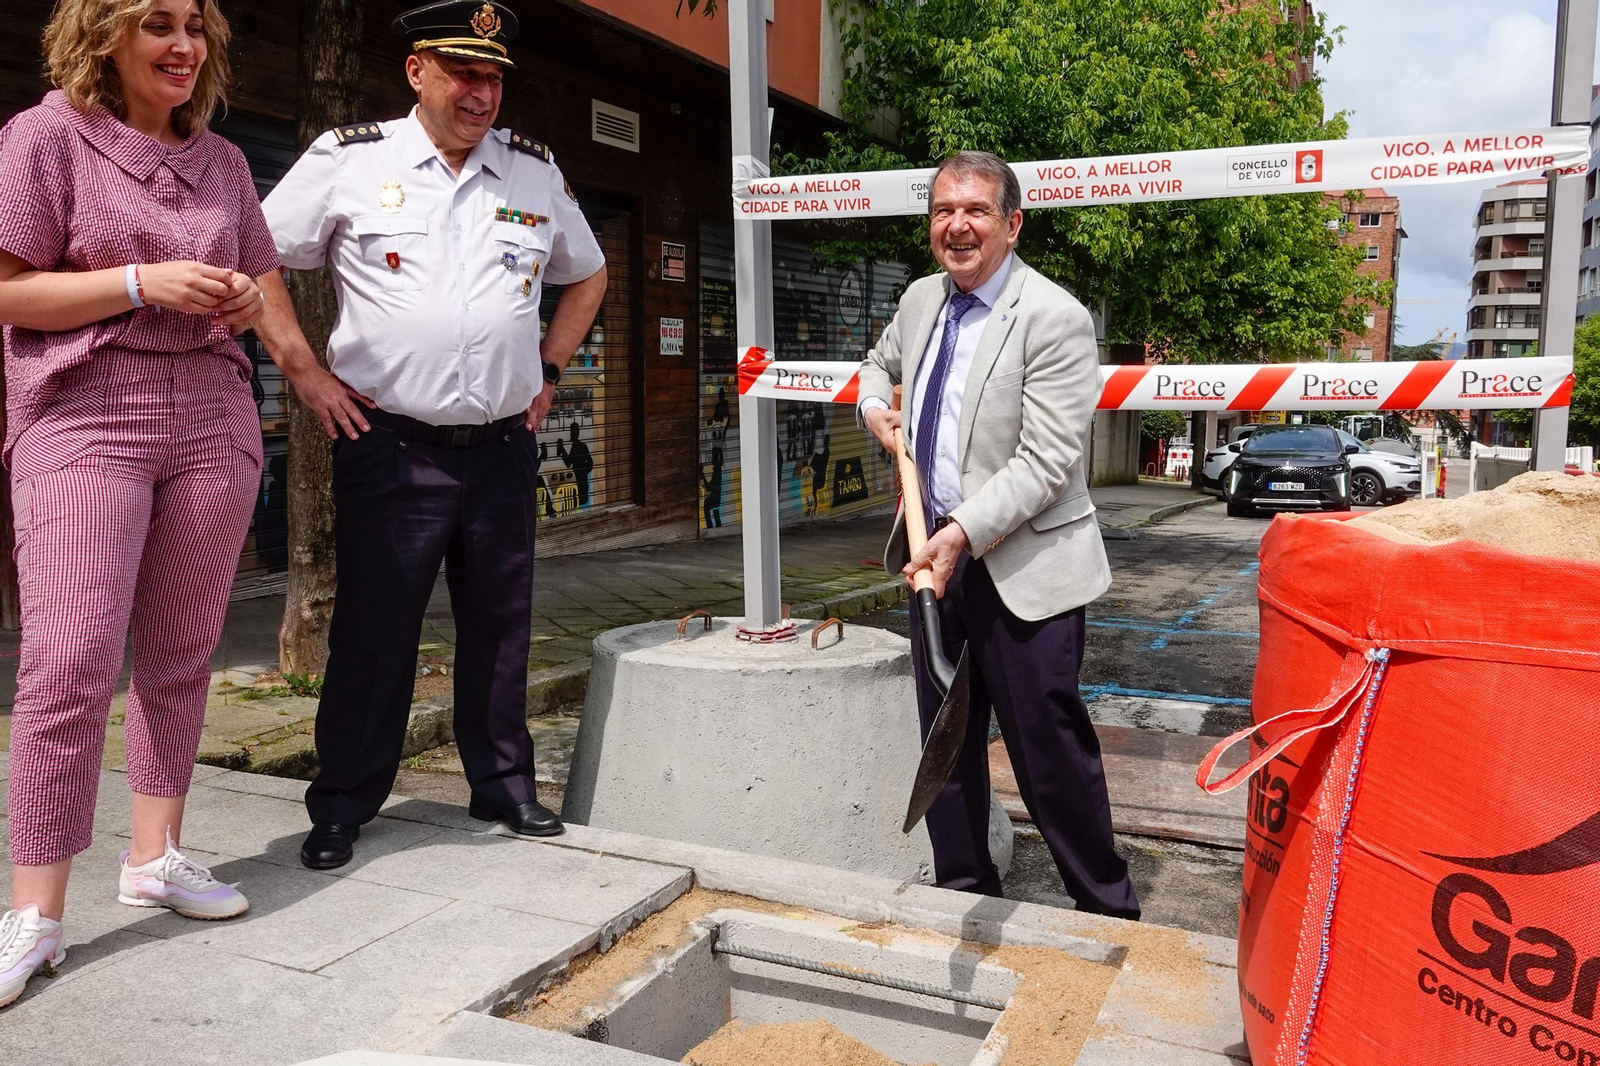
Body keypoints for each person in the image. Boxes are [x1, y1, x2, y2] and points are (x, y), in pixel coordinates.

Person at [253, 0, 607, 870]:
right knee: (376, 633)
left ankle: (504, 784)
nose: (483, 93)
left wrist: (551, 370)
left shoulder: (531, 171)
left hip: (498, 449)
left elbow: (590, 274)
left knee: (501, 623)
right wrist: (303, 372)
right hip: (391, 443)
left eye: (494, 77)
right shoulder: (350, 159)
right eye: (464, 73)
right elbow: (252, 252)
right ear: (417, 71)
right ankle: (343, 802)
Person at [0, 0, 279, 1006]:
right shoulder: (42, 138)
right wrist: (138, 280)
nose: (184, 45)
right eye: (157, 22)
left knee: (180, 650)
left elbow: (253, 275)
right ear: (102, 36)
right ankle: (34, 910)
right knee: (68, 661)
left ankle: (154, 856)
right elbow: (10, 290)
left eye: (197, 25)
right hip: (86, 410)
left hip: (211, 414)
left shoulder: (227, 164)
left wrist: (243, 300)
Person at [857, 151, 1139, 919]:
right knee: (944, 744)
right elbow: (875, 366)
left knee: (1048, 753)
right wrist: (875, 411)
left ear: (1012, 225)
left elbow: (1047, 461)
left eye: (977, 211)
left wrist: (962, 533)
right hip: (933, 561)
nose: (958, 226)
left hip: (1026, 565)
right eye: (944, 210)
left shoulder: (1053, 317)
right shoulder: (920, 301)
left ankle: (1107, 906)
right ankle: (964, 891)